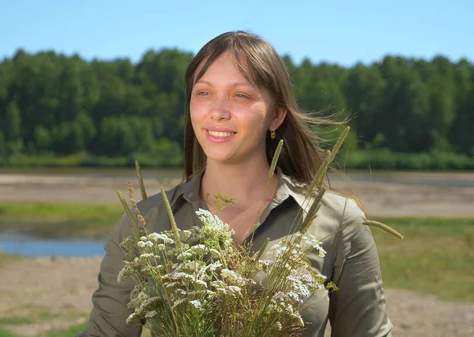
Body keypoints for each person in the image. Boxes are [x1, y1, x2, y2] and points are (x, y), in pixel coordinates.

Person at [77, 30, 393, 337]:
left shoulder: (339, 223)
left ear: (276, 116)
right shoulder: (144, 224)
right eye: (204, 93)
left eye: (240, 95)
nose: (218, 111)